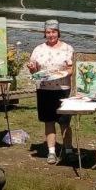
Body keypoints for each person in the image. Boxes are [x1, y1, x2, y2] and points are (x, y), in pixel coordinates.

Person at [26, 19, 74, 165]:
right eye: (48, 32)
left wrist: (66, 73)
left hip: (63, 89)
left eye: (53, 32)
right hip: (44, 89)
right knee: (49, 120)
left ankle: (68, 150)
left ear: (58, 32)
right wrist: (31, 67)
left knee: (64, 122)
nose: (51, 35)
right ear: (44, 33)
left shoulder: (68, 49)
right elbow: (34, 70)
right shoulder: (38, 49)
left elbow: (71, 70)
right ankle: (51, 152)